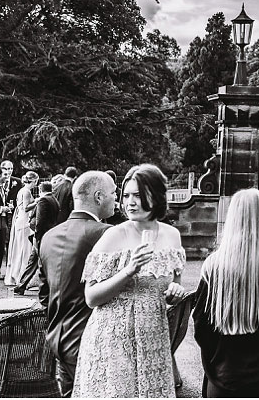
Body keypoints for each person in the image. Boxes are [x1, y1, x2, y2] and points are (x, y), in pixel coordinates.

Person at [74, 164, 186, 398]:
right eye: (126, 195)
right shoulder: (114, 235)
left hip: (153, 338)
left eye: (138, 195)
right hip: (113, 339)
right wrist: (128, 271)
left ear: (155, 197)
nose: (130, 202)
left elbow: (174, 284)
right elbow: (91, 298)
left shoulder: (172, 236)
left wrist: (175, 292)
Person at [193, 188, 259, 397]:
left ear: (231, 218)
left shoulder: (214, 266)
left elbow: (201, 326)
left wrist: (215, 361)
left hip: (224, 376)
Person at [38, 171, 115, 397]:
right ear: (99, 197)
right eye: (113, 193)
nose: (117, 199)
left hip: (56, 339)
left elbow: (44, 294)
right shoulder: (107, 234)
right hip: (89, 340)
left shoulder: (49, 236)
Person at [14, 174, 63, 294]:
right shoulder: (54, 200)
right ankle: (21, 286)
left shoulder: (43, 200)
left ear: (41, 190)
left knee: (33, 262)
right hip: (49, 234)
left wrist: (36, 237)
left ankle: (21, 286)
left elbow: (39, 222)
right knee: (36, 262)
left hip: (41, 236)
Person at [4, 171, 39, 287]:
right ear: (33, 181)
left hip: (20, 221)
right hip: (24, 222)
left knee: (20, 249)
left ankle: (17, 275)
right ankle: (21, 277)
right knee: (24, 250)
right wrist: (38, 201)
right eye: (36, 181)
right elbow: (26, 207)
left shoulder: (21, 190)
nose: (36, 184)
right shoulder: (27, 191)